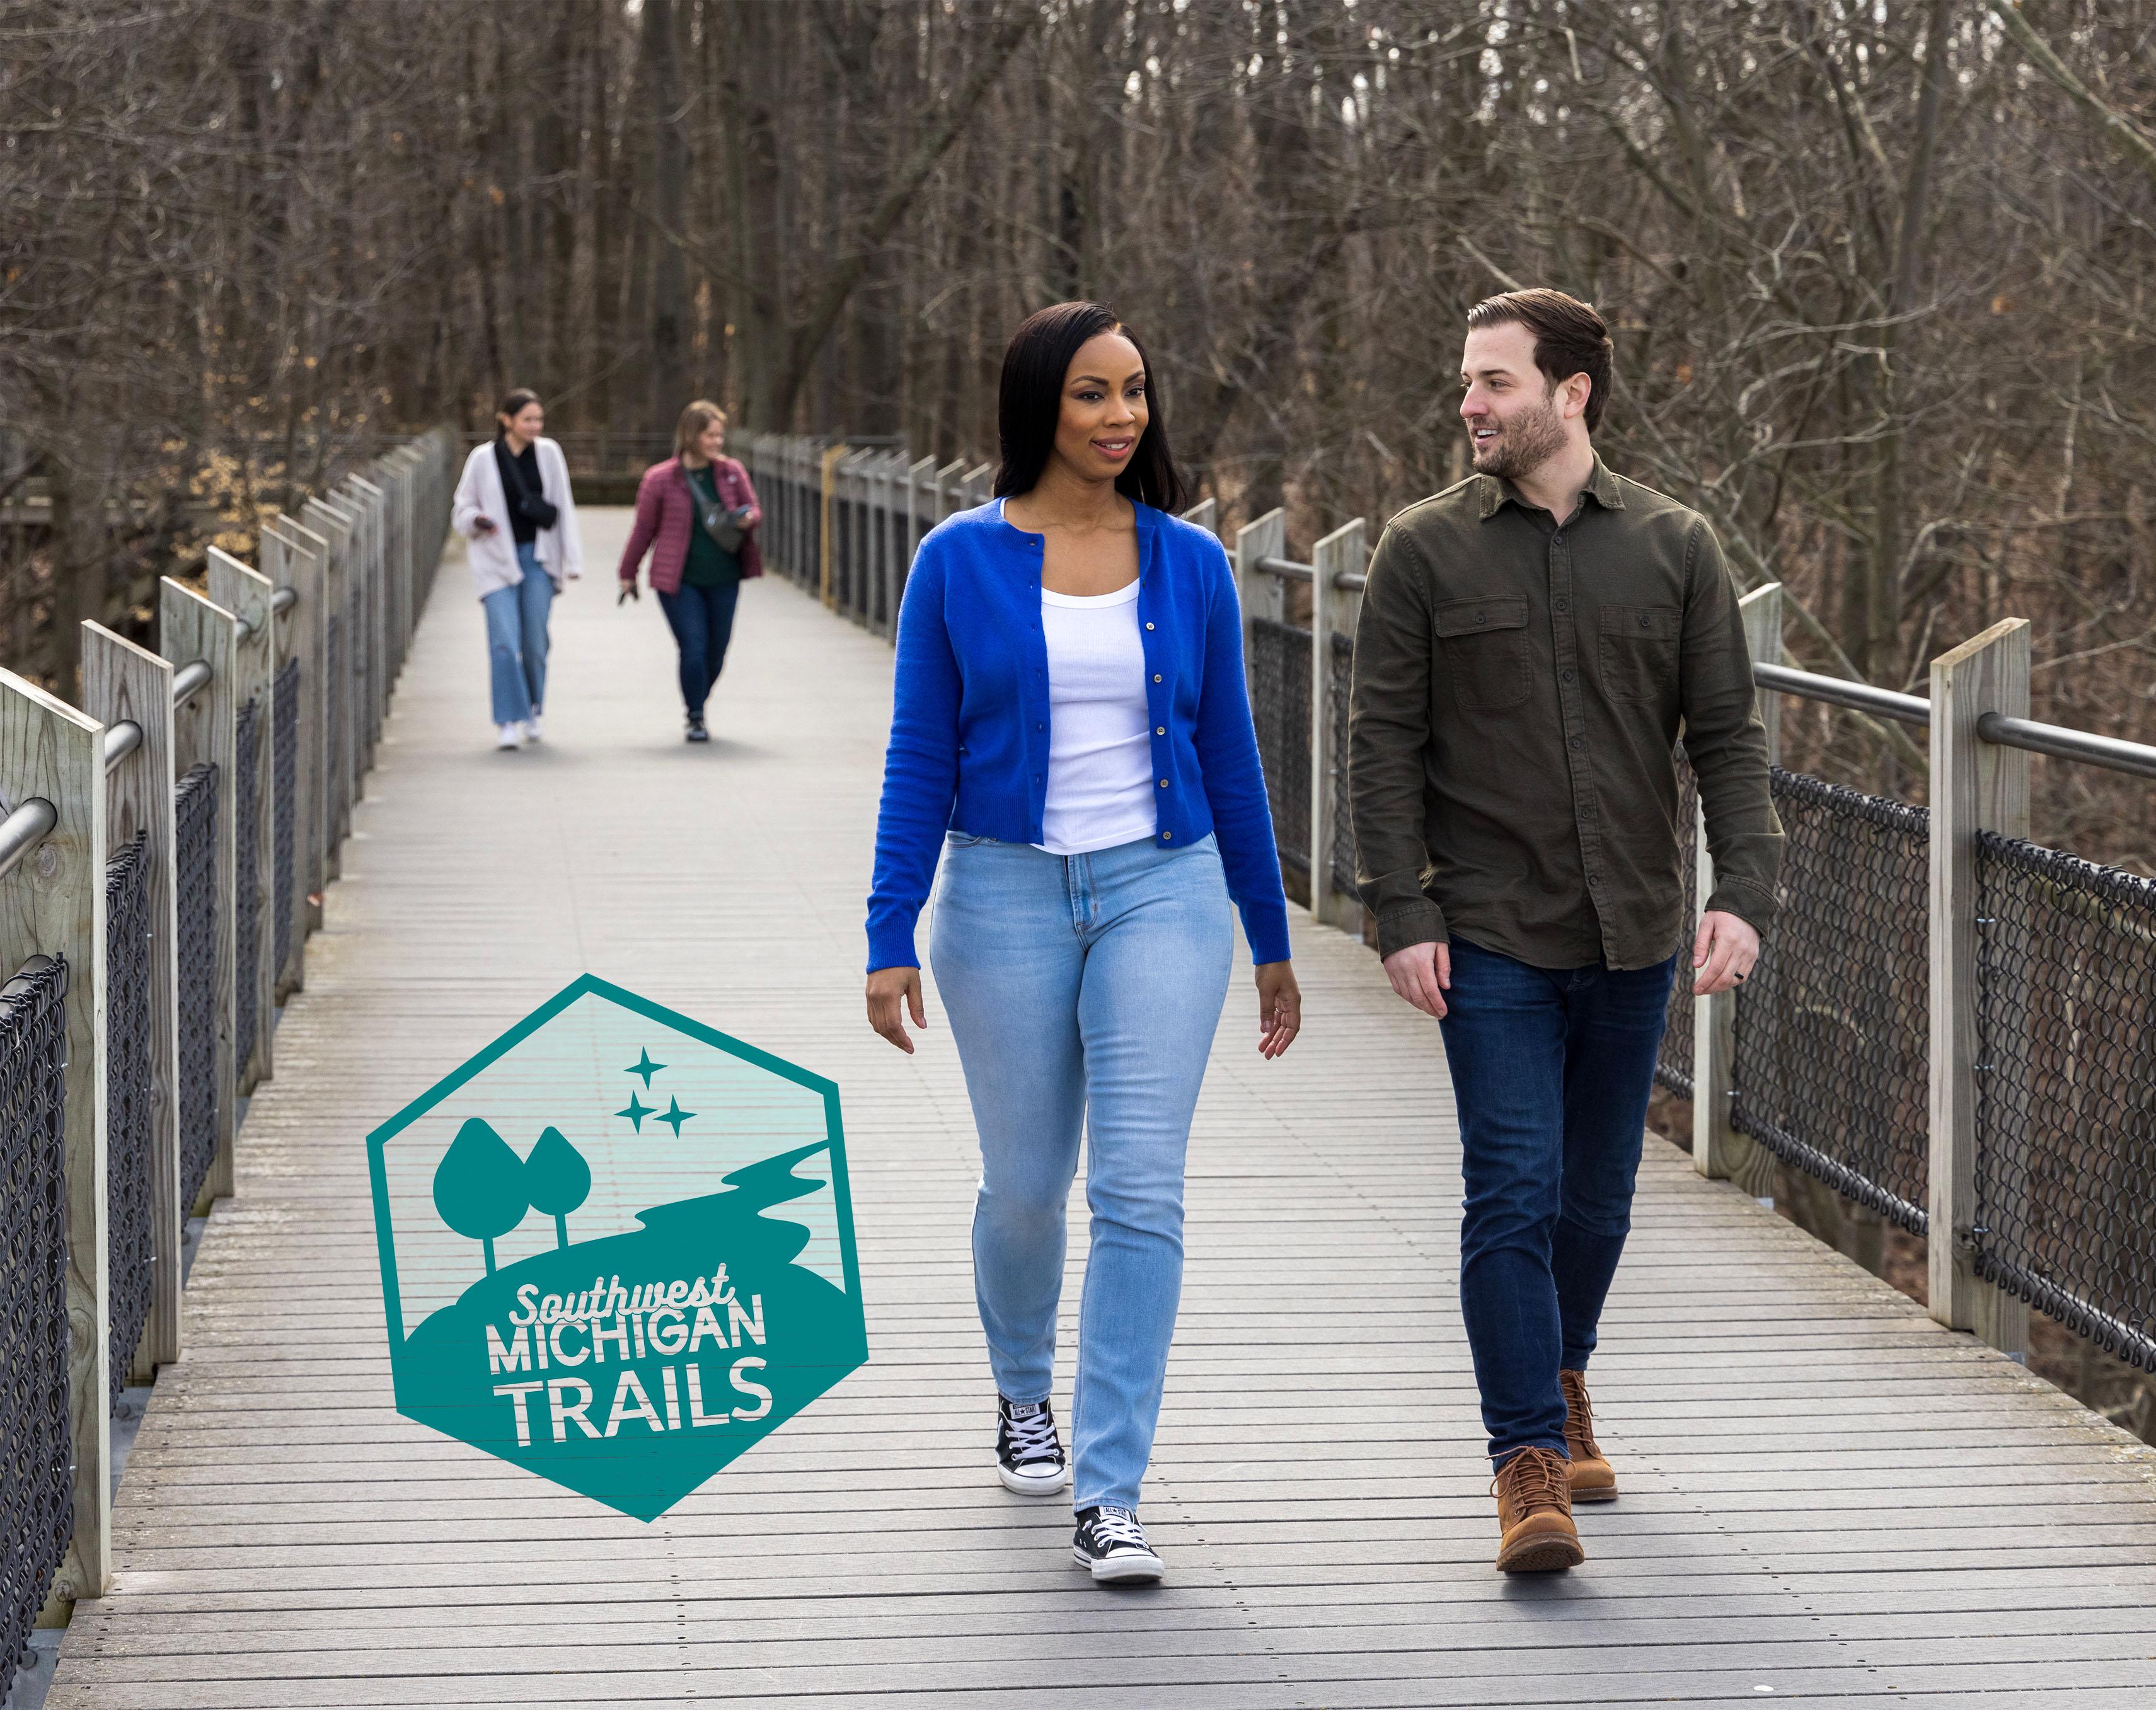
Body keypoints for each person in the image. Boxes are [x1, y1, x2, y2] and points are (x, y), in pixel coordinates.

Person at [864, 301, 1301, 1585]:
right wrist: (888, 930)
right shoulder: (956, 559)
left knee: (1141, 1190)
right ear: (1039, 406)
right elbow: (918, 754)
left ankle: (1111, 1490)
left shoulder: (1190, 562)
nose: (1122, 418)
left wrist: (1269, 933)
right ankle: (1020, 1386)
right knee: (1027, 1185)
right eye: (1093, 395)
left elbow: (1229, 754)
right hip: (999, 895)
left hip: (1162, 893)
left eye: (1137, 393)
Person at [1348, 289, 1783, 1574]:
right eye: (1467, 384)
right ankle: (1525, 1457)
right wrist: (1402, 908)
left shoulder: (1675, 547)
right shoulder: (1423, 552)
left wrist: (1742, 890)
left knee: (1597, 1200)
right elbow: (1381, 744)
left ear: (1571, 392)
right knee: (1515, 1191)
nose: (1471, 405)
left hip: (1636, 930)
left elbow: (1727, 738)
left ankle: (1565, 1366)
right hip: (1488, 932)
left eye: (1494, 382)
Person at [616, 401, 764, 742]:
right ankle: (695, 715)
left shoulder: (731, 471)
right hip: (678, 580)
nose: (717, 442)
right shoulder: (660, 479)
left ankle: (697, 696)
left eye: (720, 435)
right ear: (691, 435)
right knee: (693, 646)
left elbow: (754, 508)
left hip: (725, 576)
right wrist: (628, 572)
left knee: (717, 650)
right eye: (710, 435)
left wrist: (748, 518)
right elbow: (643, 530)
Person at [451, 390, 581, 749]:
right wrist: (477, 519)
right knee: (504, 642)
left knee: (535, 642)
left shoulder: (549, 453)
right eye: (527, 419)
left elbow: (563, 506)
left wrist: (573, 559)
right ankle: (508, 720)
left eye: (539, 419)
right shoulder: (482, 459)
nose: (535, 426)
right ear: (506, 420)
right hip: (494, 560)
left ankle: (534, 709)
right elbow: (461, 508)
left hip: (539, 560)